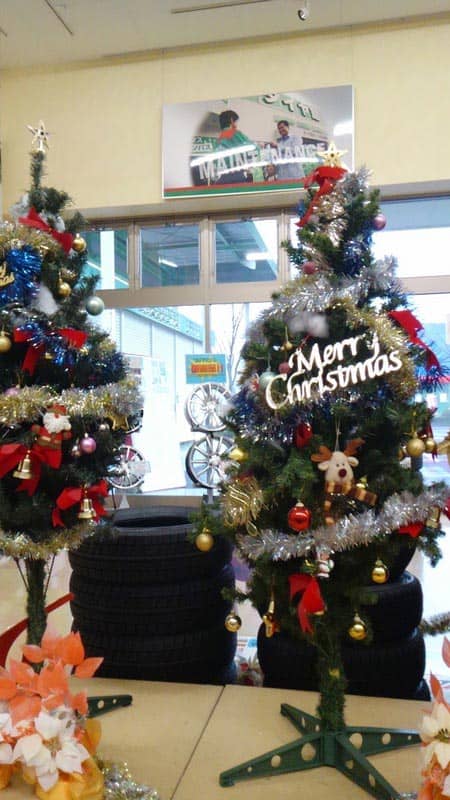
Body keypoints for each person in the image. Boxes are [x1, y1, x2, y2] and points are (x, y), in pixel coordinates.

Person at [214, 110, 259, 184]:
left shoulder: (218, 140)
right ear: (232, 120)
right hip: (235, 177)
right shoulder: (234, 133)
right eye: (236, 122)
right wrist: (258, 145)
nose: (237, 125)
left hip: (222, 179)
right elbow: (254, 149)